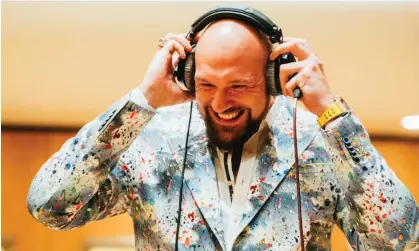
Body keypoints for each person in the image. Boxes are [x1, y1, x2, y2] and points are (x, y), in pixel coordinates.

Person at [27, 5, 418, 251]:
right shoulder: (151, 143)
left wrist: (333, 115)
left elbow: (399, 240)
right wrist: (143, 99)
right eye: (206, 85)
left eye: (239, 86)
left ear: (272, 78)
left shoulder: (317, 144)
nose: (220, 102)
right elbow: (49, 207)